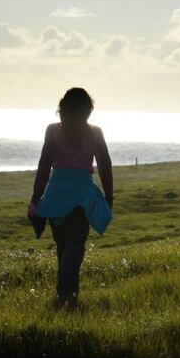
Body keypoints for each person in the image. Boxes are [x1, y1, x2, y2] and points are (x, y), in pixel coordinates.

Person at [27, 87, 114, 307]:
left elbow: (44, 166)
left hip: (56, 194)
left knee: (64, 246)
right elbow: (105, 165)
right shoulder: (95, 132)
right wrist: (109, 196)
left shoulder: (53, 131)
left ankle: (66, 293)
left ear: (63, 108)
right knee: (75, 246)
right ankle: (67, 293)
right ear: (87, 111)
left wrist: (36, 199)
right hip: (82, 195)